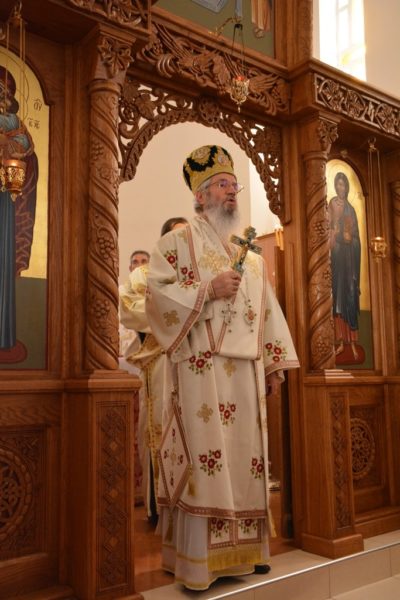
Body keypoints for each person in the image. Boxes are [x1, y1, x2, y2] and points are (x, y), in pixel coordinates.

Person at [145, 144, 299, 590]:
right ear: (200, 196)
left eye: (234, 185)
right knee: (207, 464)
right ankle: (199, 563)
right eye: (221, 185)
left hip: (245, 378)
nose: (231, 192)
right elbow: (156, 298)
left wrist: (273, 366)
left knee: (245, 462)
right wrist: (206, 291)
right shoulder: (175, 244)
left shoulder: (252, 258)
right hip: (201, 374)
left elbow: (267, 311)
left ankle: (248, 553)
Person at [119, 219, 187, 522]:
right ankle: (159, 507)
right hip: (161, 363)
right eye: (176, 235)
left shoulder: (200, 274)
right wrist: (179, 317)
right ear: (163, 241)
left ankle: (191, 508)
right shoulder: (144, 275)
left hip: (195, 362)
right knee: (159, 428)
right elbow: (131, 309)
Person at [0, 68, 38, 360]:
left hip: (4, 199)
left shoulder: (13, 122)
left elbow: (25, 149)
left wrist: (8, 144)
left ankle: (4, 337)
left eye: (4, 92)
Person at [328, 171, 361, 360]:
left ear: (347, 187)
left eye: (343, 184)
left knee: (350, 296)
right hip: (337, 260)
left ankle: (353, 343)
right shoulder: (333, 204)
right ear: (335, 186)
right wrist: (338, 236)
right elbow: (329, 230)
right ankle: (340, 342)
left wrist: (350, 240)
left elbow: (356, 239)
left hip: (350, 263)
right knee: (338, 298)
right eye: (338, 184)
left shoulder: (351, 209)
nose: (341, 188)